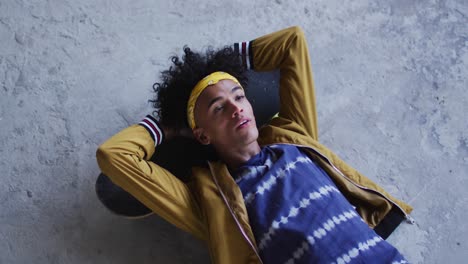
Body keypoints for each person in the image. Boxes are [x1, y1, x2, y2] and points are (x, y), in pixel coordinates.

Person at [97, 26, 413, 264]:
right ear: (202, 135)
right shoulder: (210, 202)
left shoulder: (295, 137)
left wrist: (221, 63)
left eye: (239, 96)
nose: (236, 108)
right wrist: (167, 126)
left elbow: (292, 42)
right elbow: (114, 156)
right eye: (218, 108)